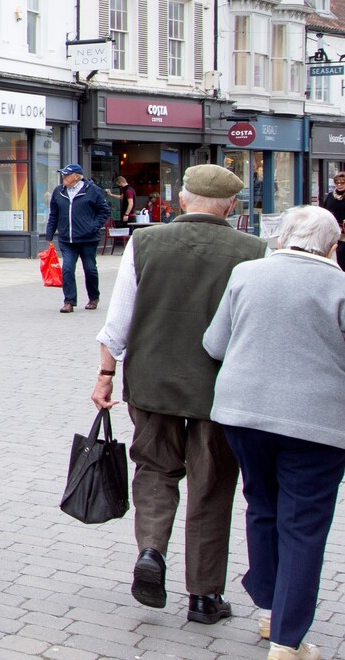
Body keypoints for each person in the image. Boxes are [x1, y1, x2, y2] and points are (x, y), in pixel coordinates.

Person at [91, 163, 265, 623]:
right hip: (220, 390)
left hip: (151, 382)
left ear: (183, 201)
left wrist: (106, 373)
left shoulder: (145, 243)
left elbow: (119, 319)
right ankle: (205, 597)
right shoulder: (255, 251)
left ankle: (151, 551)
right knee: (212, 486)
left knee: (154, 471)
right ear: (231, 207)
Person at [202, 206, 345, 660]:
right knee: (303, 526)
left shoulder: (247, 273)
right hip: (317, 423)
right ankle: (287, 640)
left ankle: (268, 609)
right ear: (332, 245)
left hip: (243, 413)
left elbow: (215, 344)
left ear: (281, 239)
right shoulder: (340, 285)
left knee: (262, 505)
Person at [46, 163, 111, 313]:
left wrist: (93, 227)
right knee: (67, 269)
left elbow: (104, 210)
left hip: (88, 239)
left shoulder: (92, 190)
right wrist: (49, 234)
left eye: (66, 175)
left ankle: (93, 298)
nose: (63, 177)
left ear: (77, 176)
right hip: (66, 239)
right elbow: (53, 214)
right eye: (63, 174)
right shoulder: (58, 191)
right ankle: (69, 301)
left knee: (90, 269)